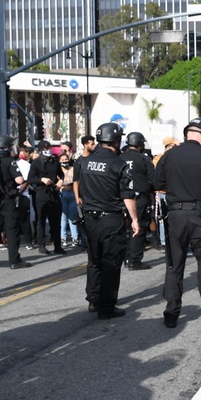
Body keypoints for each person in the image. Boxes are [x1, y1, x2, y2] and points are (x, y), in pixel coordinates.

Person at [154, 118, 201, 330]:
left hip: (176, 215)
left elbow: (158, 184)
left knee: (174, 265)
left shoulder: (169, 155)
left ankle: (171, 314)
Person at [76, 123, 139, 319]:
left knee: (94, 260)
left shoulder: (86, 162)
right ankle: (107, 306)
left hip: (90, 218)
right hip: (110, 218)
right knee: (111, 262)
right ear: (116, 140)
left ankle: (94, 299)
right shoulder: (118, 164)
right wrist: (135, 220)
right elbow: (128, 195)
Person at [0, 134, 32, 270]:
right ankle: (14, 260)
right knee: (12, 230)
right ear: (7, 147)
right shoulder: (10, 161)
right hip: (8, 198)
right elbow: (19, 180)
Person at [118, 131, 156, 270]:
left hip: (120, 198)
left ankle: (124, 257)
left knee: (123, 229)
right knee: (138, 228)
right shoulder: (144, 159)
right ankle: (134, 260)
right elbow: (153, 180)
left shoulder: (119, 158)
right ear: (139, 144)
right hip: (138, 198)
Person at [28, 140, 65, 255]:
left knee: (56, 220)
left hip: (54, 193)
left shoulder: (54, 160)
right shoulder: (36, 163)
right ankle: (42, 245)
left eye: (48, 148)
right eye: (45, 149)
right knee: (41, 220)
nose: (47, 150)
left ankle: (57, 245)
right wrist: (41, 180)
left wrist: (61, 181)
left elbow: (61, 174)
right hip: (41, 194)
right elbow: (30, 179)